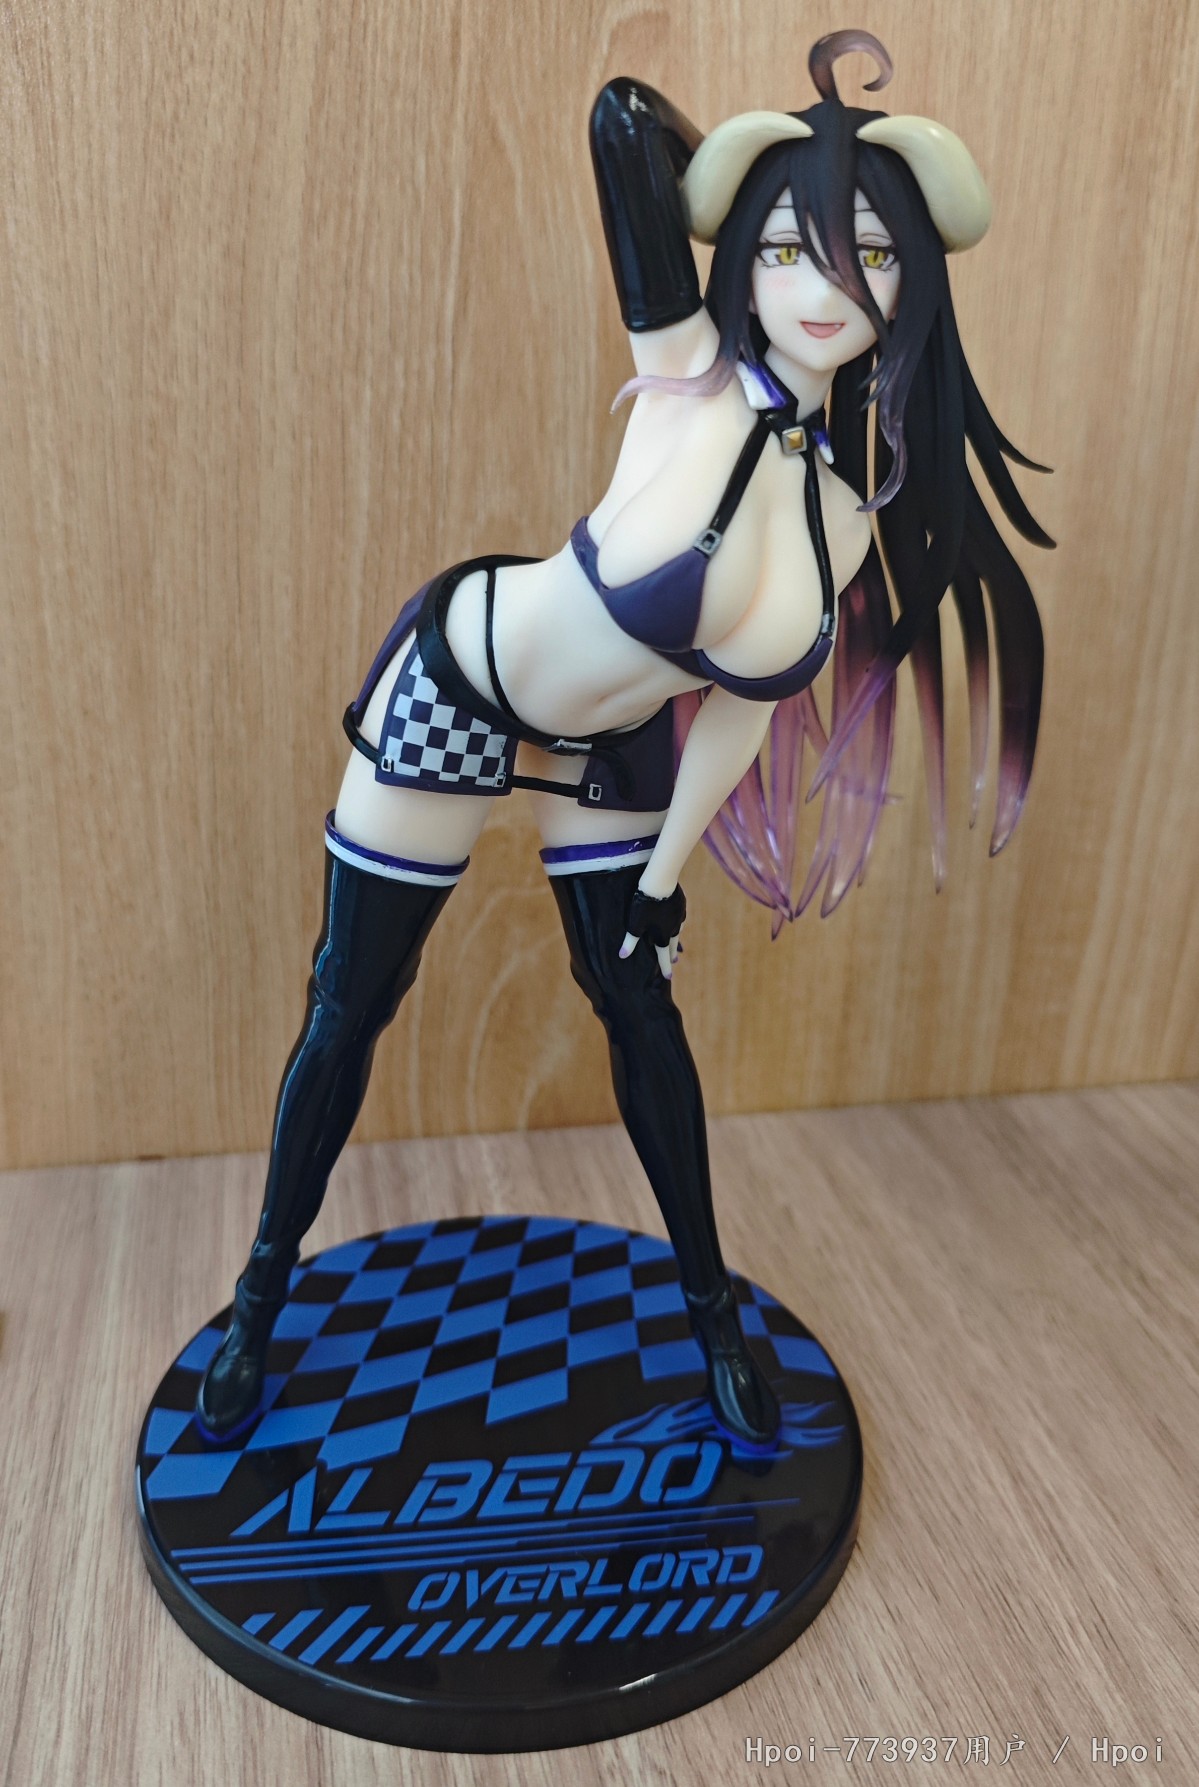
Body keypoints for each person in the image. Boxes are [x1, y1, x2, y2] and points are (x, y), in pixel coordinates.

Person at [195, 28, 1052, 1450]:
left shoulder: (846, 521)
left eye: (869, 255)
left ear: (914, 285)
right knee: (351, 1000)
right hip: (467, 689)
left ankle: (711, 1314)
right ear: (741, 262)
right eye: (788, 248)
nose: (826, 288)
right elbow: (620, 121)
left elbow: (740, 714)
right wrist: (789, 156)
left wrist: (660, 880)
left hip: (617, 750)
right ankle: (257, 1297)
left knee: (642, 1008)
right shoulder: (685, 366)